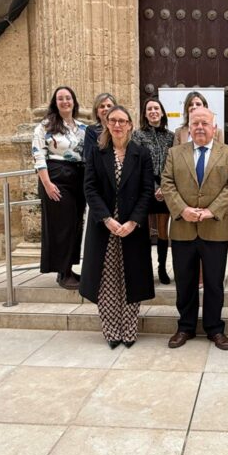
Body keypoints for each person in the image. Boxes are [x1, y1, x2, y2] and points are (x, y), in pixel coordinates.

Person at [162, 107, 228, 351]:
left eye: (204, 123)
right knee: (184, 281)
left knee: (214, 283)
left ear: (213, 128)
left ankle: (215, 329)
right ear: (188, 127)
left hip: (215, 228)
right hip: (183, 227)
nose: (199, 127)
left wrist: (211, 211)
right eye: (195, 123)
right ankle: (185, 327)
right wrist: (182, 209)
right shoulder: (175, 153)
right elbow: (167, 183)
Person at [79, 105, 155, 348]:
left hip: (132, 228)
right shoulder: (96, 152)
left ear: (131, 125)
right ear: (107, 124)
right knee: (107, 280)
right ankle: (112, 331)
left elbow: (146, 190)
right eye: (113, 120)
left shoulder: (141, 154)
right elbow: (89, 188)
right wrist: (107, 219)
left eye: (123, 121)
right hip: (105, 228)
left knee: (131, 278)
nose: (118, 125)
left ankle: (129, 329)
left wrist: (133, 221)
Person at [32, 86, 87, 290]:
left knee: (74, 225)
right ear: (55, 103)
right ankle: (62, 273)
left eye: (68, 98)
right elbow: (38, 155)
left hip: (77, 178)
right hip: (55, 178)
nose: (65, 101)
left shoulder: (82, 128)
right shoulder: (45, 126)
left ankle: (69, 268)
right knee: (61, 226)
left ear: (74, 101)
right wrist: (47, 184)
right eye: (60, 98)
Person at [132, 97, 175, 284]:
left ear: (162, 112)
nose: (153, 111)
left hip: (165, 188)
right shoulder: (138, 135)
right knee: (147, 232)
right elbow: (137, 164)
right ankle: (145, 269)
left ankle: (162, 268)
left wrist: (164, 187)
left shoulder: (170, 136)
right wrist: (153, 187)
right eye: (149, 109)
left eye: (156, 108)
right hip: (146, 187)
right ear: (145, 114)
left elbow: (173, 164)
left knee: (164, 231)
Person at [84, 92, 116, 159]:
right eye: (102, 106)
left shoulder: (121, 128)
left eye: (109, 106)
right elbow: (89, 156)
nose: (106, 109)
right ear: (97, 113)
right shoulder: (91, 131)